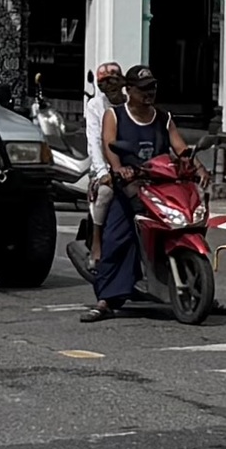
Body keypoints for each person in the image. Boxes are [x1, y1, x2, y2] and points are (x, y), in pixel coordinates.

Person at [80, 64, 175, 323]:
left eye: (152, 88)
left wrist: (195, 165)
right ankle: (105, 292)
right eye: (105, 82)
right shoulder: (109, 112)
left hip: (157, 181)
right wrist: (110, 170)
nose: (149, 93)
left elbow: (180, 148)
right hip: (122, 179)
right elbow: (100, 144)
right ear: (130, 89)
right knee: (113, 219)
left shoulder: (162, 117)